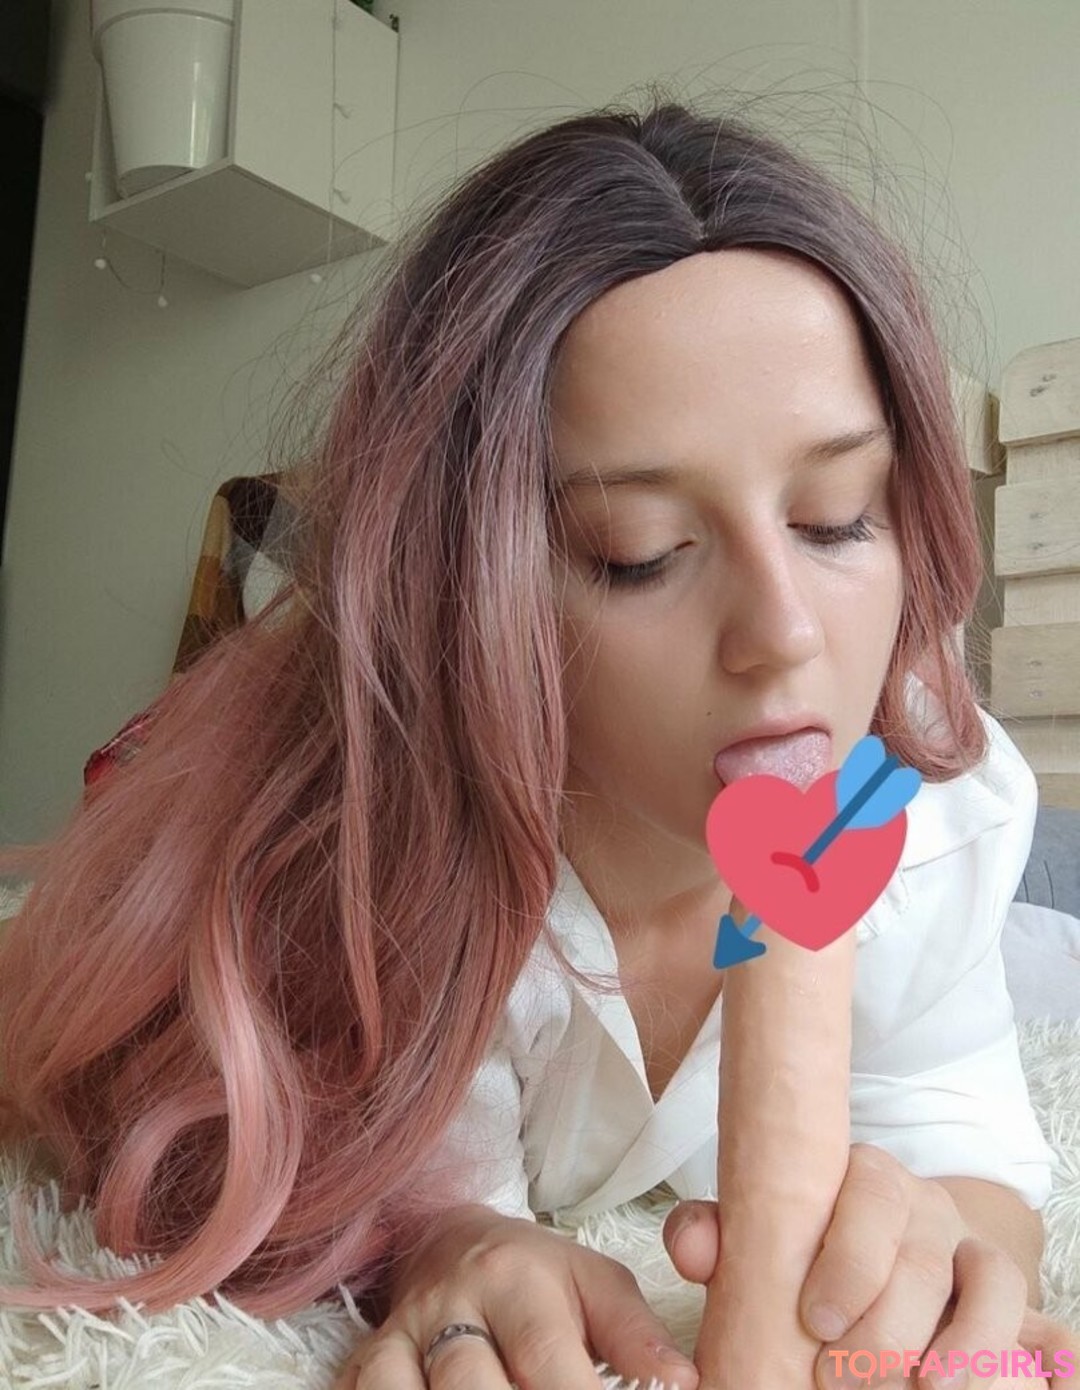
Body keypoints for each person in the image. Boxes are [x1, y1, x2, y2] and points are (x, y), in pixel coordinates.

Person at [0, 95, 1074, 1390]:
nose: (784, 634)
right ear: (477, 591)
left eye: (839, 516)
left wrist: (949, 1230)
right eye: (639, 553)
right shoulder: (379, 880)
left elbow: (960, 1122)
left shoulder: (927, 810)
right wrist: (448, 1234)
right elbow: (272, 1151)